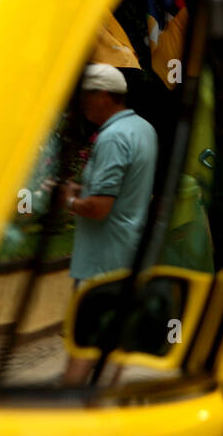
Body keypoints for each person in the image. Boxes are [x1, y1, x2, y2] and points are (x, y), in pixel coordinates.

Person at [60, 63, 158, 385]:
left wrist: (69, 201)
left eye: (86, 97)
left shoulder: (113, 137)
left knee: (83, 346)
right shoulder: (144, 129)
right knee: (113, 348)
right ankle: (98, 414)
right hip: (128, 257)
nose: (82, 105)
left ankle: (60, 415)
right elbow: (129, 190)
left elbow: (99, 208)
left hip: (99, 265)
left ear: (103, 95)